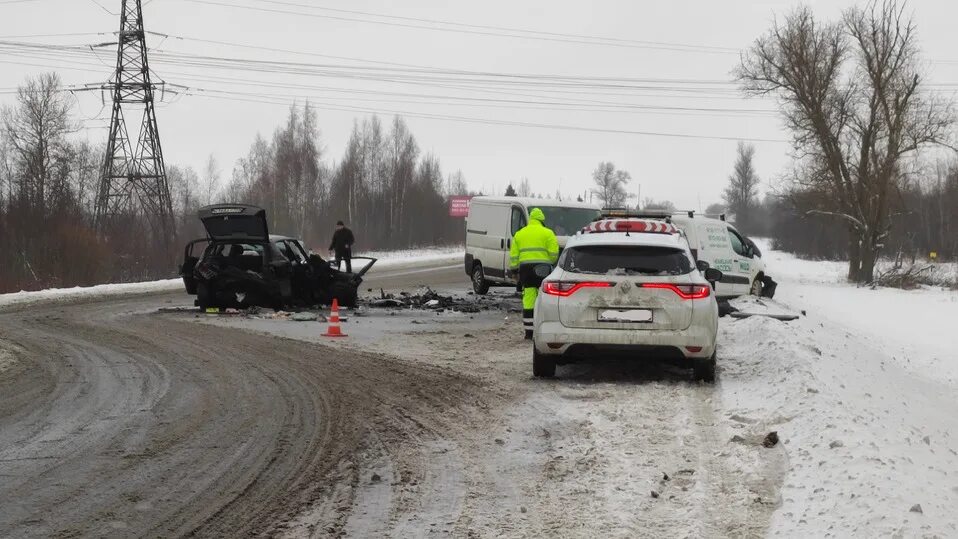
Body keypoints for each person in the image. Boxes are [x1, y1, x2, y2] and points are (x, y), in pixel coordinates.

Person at [509, 208, 559, 339]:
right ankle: (543, 330)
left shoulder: (520, 234)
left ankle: (529, 332)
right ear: (542, 220)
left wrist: (514, 270)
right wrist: (549, 263)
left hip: (525, 270)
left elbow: (514, 256)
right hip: (543, 270)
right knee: (545, 299)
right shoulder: (548, 233)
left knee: (529, 300)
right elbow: (554, 254)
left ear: (530, 220)